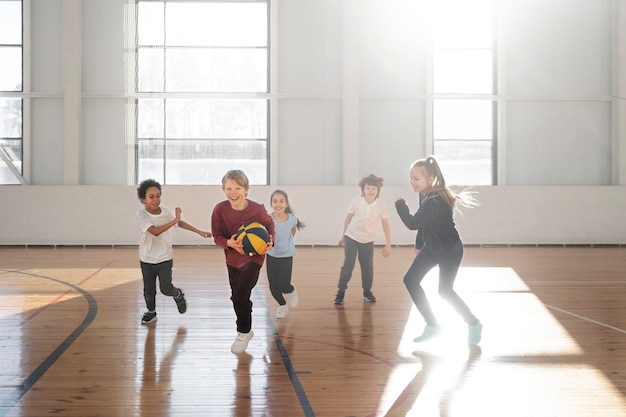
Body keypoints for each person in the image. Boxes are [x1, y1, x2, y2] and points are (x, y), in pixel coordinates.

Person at [395, 156, 482, 345]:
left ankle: (473, 323)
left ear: (430, 178)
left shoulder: (434, 200)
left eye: (416, 179)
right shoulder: (425, 194)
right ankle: (433, 325)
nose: (412, 182)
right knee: (410, 280)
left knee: (445, 291)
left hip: (450, 250)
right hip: (432, 246)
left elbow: (413, 222)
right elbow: (423, 224)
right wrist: (419, 245)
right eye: (410, 178)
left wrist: (400, 206)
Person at [211, 170, 275, 353]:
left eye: (237, 188)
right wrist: (228, 243)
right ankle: (246, 328)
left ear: (246, 189)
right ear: (224, 190)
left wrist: (271, 240)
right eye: (229, 188)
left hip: (254, 258)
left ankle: (243, 332)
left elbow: (270, 224)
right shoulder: (220, 210)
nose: (233, 192)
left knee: (240, 295)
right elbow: (217, 236)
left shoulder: (257, 209)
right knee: (238, 297)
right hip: (232, 259)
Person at [136, 179, 211, 325]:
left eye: (158, 196)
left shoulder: (166, 213)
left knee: (166, 288)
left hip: (164, 258)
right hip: (147, 259)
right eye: (151, 197)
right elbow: (155, 232)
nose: (156, 200)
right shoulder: (141, 216)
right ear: (143, 200)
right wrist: (175, 219)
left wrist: (199, 232)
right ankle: (151, 313)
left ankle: (178, 295)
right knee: (148, 291)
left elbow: (179, 223)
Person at [334, 174, 392, 305]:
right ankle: (340, 292)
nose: (371, 191)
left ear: (378, 191)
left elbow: (385, 224)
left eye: (374, 189)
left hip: (368, 240)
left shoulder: (381, 206)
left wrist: (388, 244)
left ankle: (367, 292)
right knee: (349, 264)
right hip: (352, 237)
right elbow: (348, 218)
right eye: (368, 188)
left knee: (367, 268)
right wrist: (343, 235)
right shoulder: (356, 202)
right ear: (363, 190)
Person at [266, 189, 305, 319]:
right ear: (271, 204)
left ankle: (291, 289)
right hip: (271, 256)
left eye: (281, 201)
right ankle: (282, 305)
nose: (278, 204)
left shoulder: (292, 220)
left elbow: (293, 231)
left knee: (284, 286)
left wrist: (287, 243)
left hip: (286, 256)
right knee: (273, 287)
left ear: (286, 204)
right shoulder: (267, 219)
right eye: (275, 201)